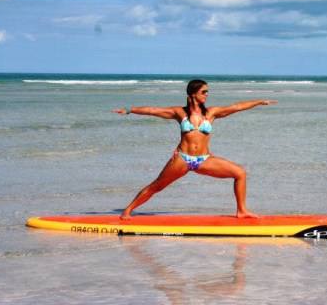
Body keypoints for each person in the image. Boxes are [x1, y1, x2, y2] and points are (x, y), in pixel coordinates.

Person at [113, 79, 277, 220]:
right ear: (193, 93)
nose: (207, 94)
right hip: (182, 159)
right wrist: (129, 110)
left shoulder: (212, 113)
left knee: (240, 173)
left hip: (204, 160)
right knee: (156, 186)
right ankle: (127, 210)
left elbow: (237, 107)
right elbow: (153, 110)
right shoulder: (179, 112)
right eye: (204, 91)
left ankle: (241, 210)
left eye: (207, 91)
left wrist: (259, 102)